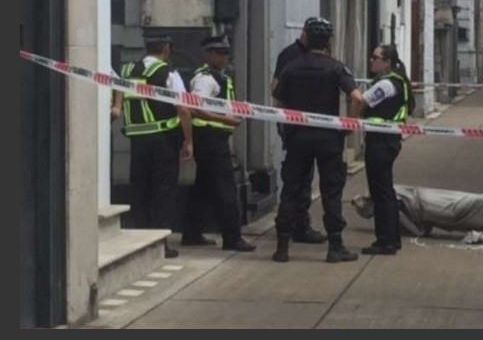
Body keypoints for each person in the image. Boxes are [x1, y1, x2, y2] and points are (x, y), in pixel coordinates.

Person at [271, 18, 364, 263]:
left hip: (297, 138)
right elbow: (357, 98)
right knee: (331, 192)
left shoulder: (291, 67)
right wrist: (349, 125)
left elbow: (278, 100)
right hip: (328, 138)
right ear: (328, 41)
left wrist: (286, 128)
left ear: (306, 37)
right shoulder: (335, 68)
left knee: (291, 189)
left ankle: (282, 247)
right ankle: (335, 247)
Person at [112, 35, 193, 258]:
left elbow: (119, 96)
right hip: (163, 140)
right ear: (166, 49)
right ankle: (160, 244)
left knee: (140, 190)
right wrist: (188, 141)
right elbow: (183, 109)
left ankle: (139, 243)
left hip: (137, 142)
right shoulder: (168, 73)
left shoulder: (128, 70)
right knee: (163, 192)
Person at [181, 35, 256, 252]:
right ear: (208, 54)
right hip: (209, 138)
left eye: (226, 53)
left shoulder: (219, 77)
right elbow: (195, 108)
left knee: (202, 188)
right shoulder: (205, 79)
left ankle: (191, 233)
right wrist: (226, 120)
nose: (225, 58)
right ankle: (232, 238)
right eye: (220, 53)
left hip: (215, 138)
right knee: (226, 190)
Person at [269, 17, 328, 245]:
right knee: (297, 180)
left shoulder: (314, 54)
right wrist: (285, 121)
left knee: (304, 179)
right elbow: (276, 88)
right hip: (295, 126)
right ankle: (296, 226)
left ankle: (297, 224)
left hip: (309, 126)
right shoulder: (291, 55)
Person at [357, 44, 415, 255]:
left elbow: (361, 102)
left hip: (380, 142)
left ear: (387, 63)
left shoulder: (386, 84)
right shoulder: (398, 81)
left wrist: (353, 114)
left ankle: (385, 241)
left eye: (375, 58)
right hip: (389, 141)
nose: (371, 61)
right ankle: (392, 238)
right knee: (386, 192)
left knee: (380, 193)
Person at [352, 185, 483, 242]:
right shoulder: (386, 189)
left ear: (369, 207)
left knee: (465, 210)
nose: (372, 218)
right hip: (427, 198)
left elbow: (413, 227)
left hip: (427, 206)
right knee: (469, 203)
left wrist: (416, 231)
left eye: (369, 215)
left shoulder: (384, 204)